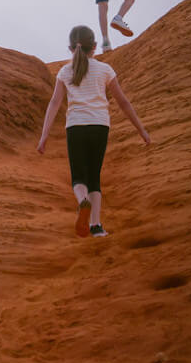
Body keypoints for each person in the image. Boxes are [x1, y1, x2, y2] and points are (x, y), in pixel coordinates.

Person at [37, 25, 150, 238]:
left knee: (79, 177)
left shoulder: (65, 71)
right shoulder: (105, 70)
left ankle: (82, 202)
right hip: (100, 126)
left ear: (71, 48)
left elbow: (54, 104)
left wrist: (44, 136)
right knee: (94, 177)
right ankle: (96, 226)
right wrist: (142, 131)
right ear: (95, 47)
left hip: (76, 126)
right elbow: (123, 102)